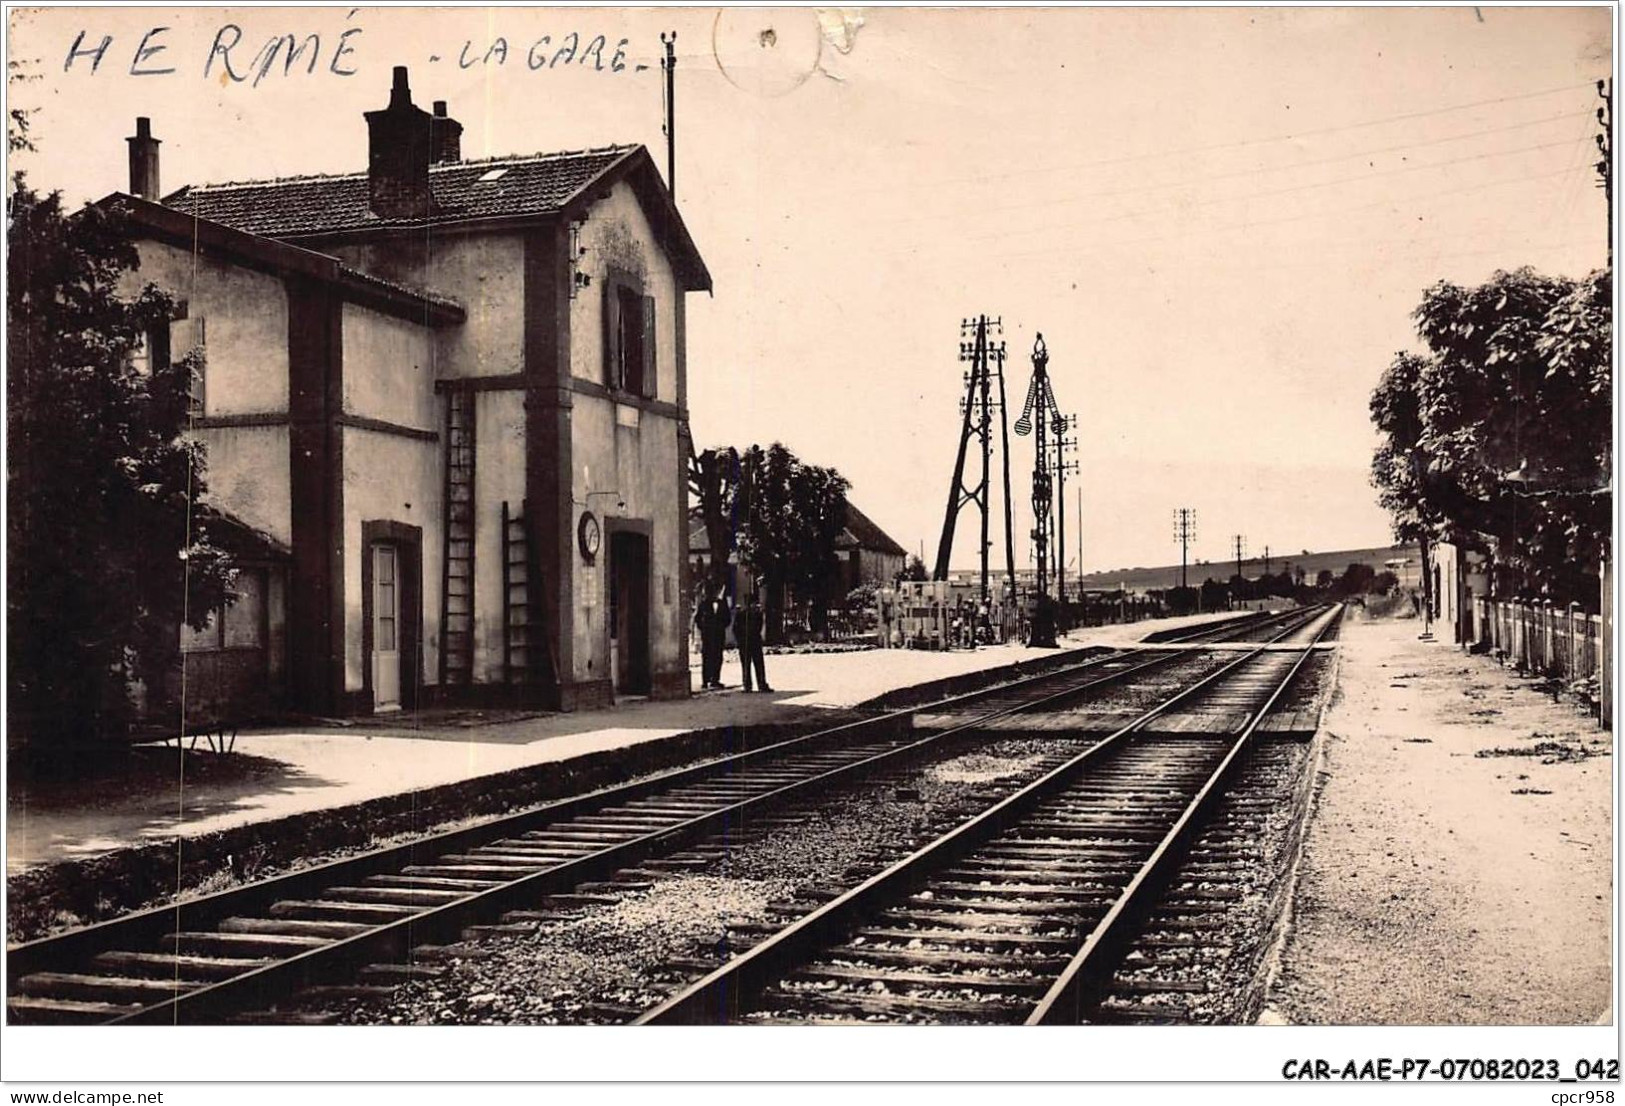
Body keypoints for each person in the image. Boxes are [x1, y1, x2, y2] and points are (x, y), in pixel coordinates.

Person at [733, 591, 772, 693]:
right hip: (744, 643)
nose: (754, 606)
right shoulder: (741, 615)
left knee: (758, 664)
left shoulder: (757, 615)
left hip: (754, 642)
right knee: (746, 664)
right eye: (752, 603)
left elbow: (759, 627)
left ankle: (761, 684)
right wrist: (740, 639)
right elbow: (735, 629)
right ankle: (747, 684)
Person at [695, 591, 729, 689]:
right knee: (706, 658)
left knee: (718, 658)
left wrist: (721, 627)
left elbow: (727, 619)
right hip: (707, 637)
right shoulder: (704, 604)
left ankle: (715, 680)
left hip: (719, 636)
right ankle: (705, 680)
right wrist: (704, 629)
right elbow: (698, 619)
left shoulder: (722, 604)